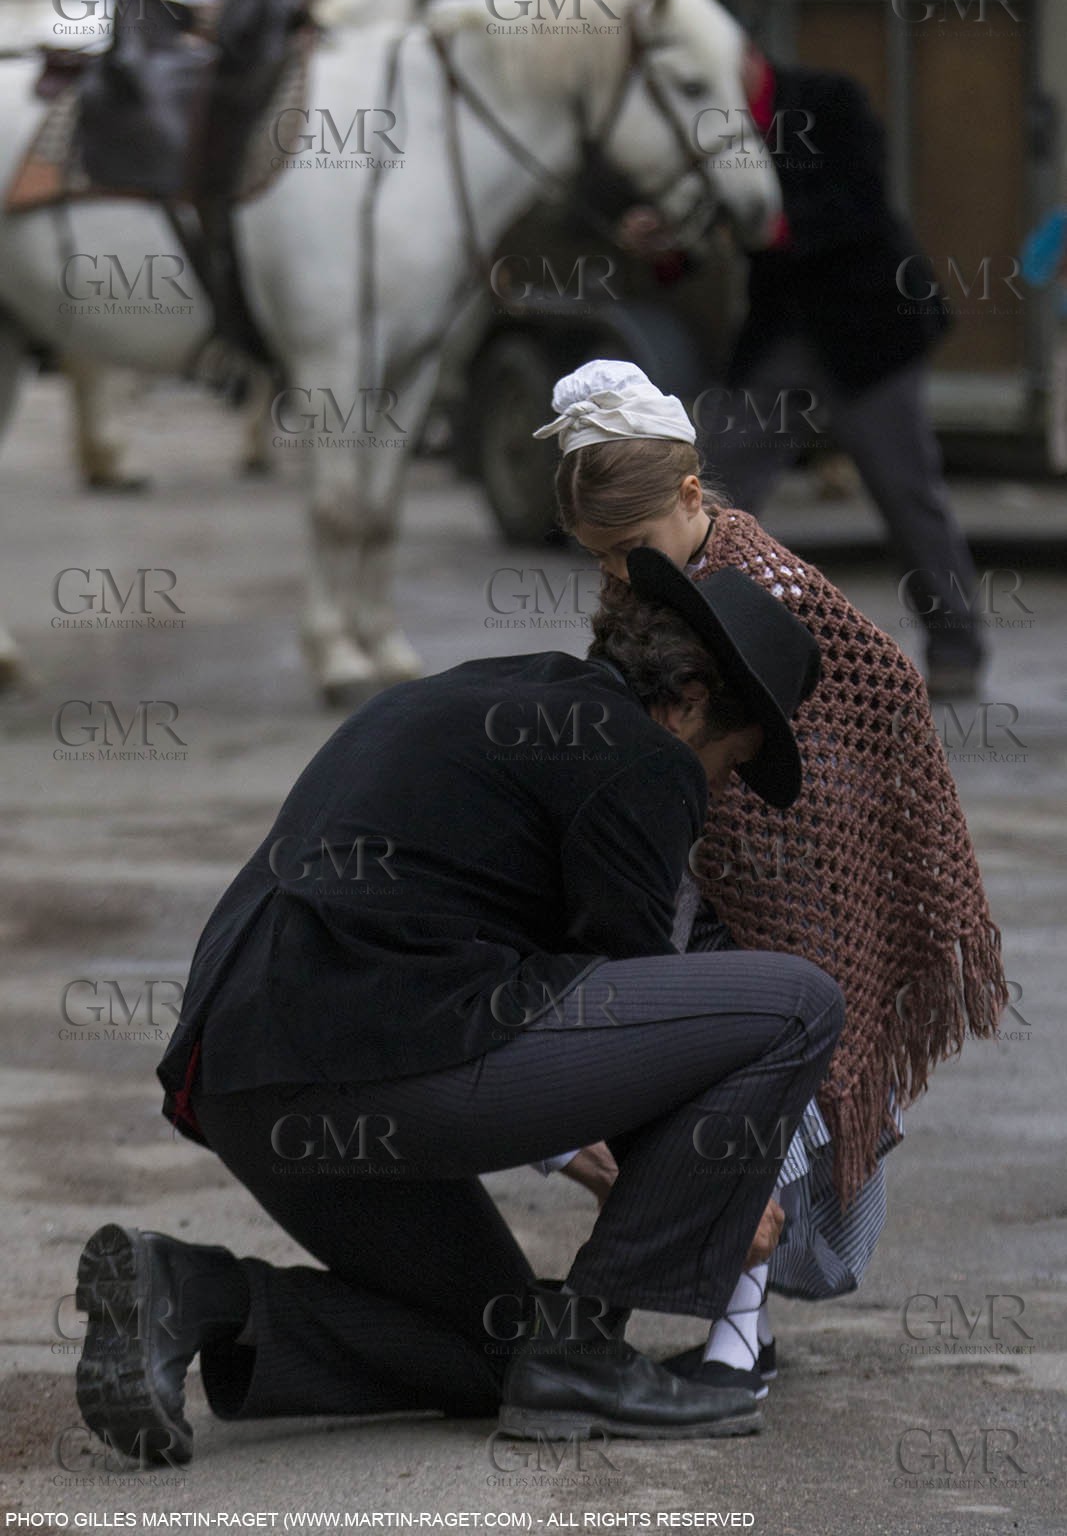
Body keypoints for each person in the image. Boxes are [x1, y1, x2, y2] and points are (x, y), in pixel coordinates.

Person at [73, 543, 844, 1464]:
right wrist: (717, 1196)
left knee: (502, 1347)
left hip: (245, 1078)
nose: (716, 794)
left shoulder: (472, 691)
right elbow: (641, 1014)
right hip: (376, 1061)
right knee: (796, 1003)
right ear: (683, 701)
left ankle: (194, 1294)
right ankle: (592, 1347)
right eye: (730, 761)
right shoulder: (645, 757)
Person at [532, 358, 1008, 1396]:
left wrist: (797, 828)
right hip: (691, 888)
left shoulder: (769, 589)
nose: (616, 576)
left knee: (755, 1099)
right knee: (677, 1095)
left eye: (629, 551)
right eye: (599, 561)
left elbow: (875, 681)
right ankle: (703, 1323)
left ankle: (733, 1343)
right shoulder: (656, 593)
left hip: (783, 896)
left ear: (693, 497)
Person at [617, 39, 985, 699]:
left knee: (907, 495)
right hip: (780, 337)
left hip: (870, 332)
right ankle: (675, 645)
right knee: (712, 485)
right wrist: (662, 247)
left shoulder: (828, 99)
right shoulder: (708, 125)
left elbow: (858, 206)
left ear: (740, 58)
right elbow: (697, 236)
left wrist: (764, 228)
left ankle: (956, 646)